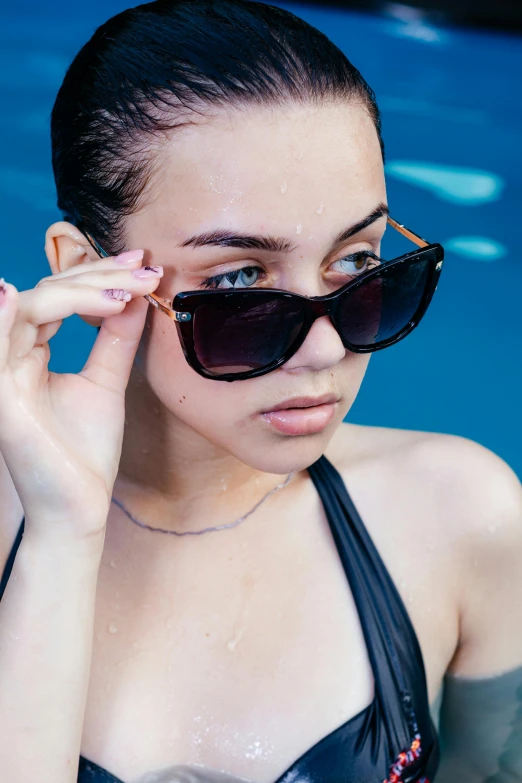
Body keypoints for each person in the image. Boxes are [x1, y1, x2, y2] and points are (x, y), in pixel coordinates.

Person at [0, 1, 521, 782]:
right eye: (240, 280)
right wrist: (61, 537)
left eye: (357, 264)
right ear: (87, 270)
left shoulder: (459, 516)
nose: (327, 348)